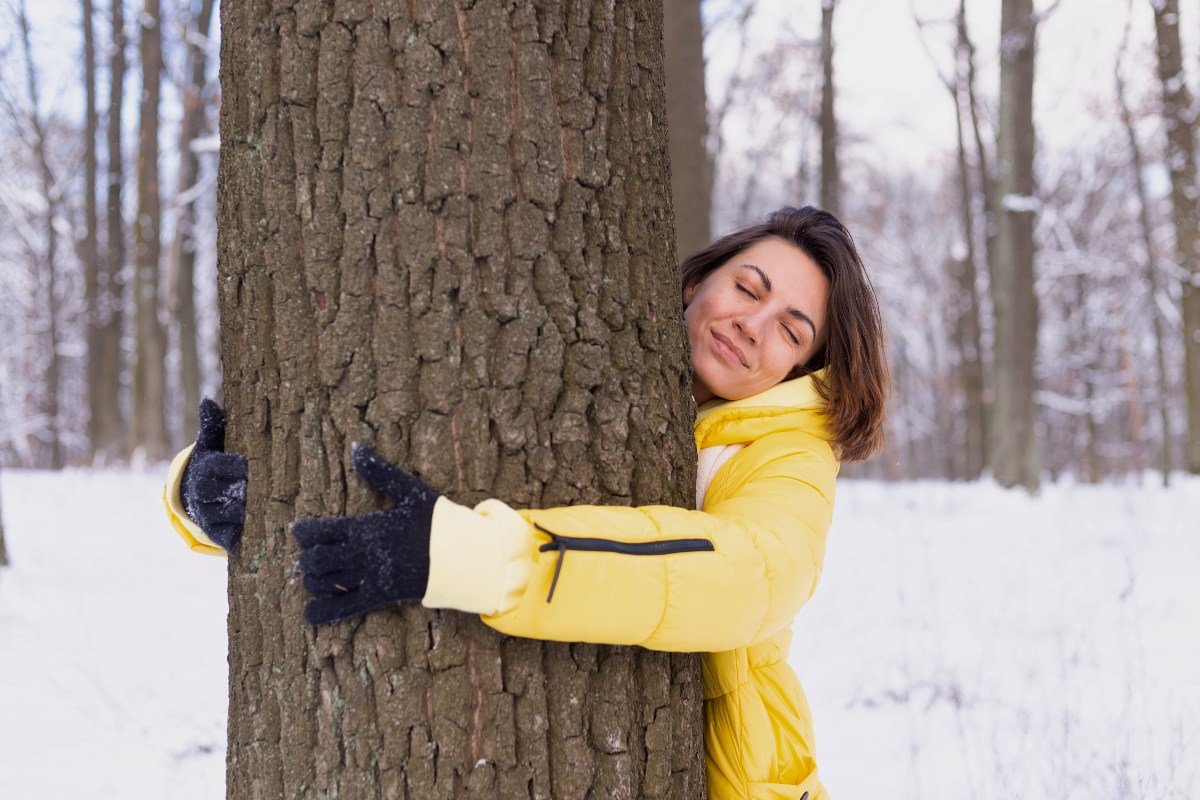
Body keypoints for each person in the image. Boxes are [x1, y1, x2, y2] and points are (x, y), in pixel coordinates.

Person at [161, 205, 890, 800]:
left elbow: (748, 579)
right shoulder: (601, 360)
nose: (752, 326)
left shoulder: (791, 453)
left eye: (792, 331)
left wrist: (481, 558)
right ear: (699, 279)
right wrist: (201, 490)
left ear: (804, 367)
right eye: (748, 288)